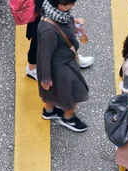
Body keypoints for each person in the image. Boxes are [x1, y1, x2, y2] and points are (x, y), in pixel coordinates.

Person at [37, 0, 90, 132]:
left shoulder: (53, 12)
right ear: (60, 5)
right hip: (61, 66)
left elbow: (62, 26)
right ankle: (68, 118)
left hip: (58, 63)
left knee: (50, 91)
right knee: (73, 92)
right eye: (70, 4)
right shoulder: (48, 31)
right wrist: (46, 78)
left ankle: (49, 111)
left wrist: (74, 24)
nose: (73, 6)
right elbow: (45, 56)